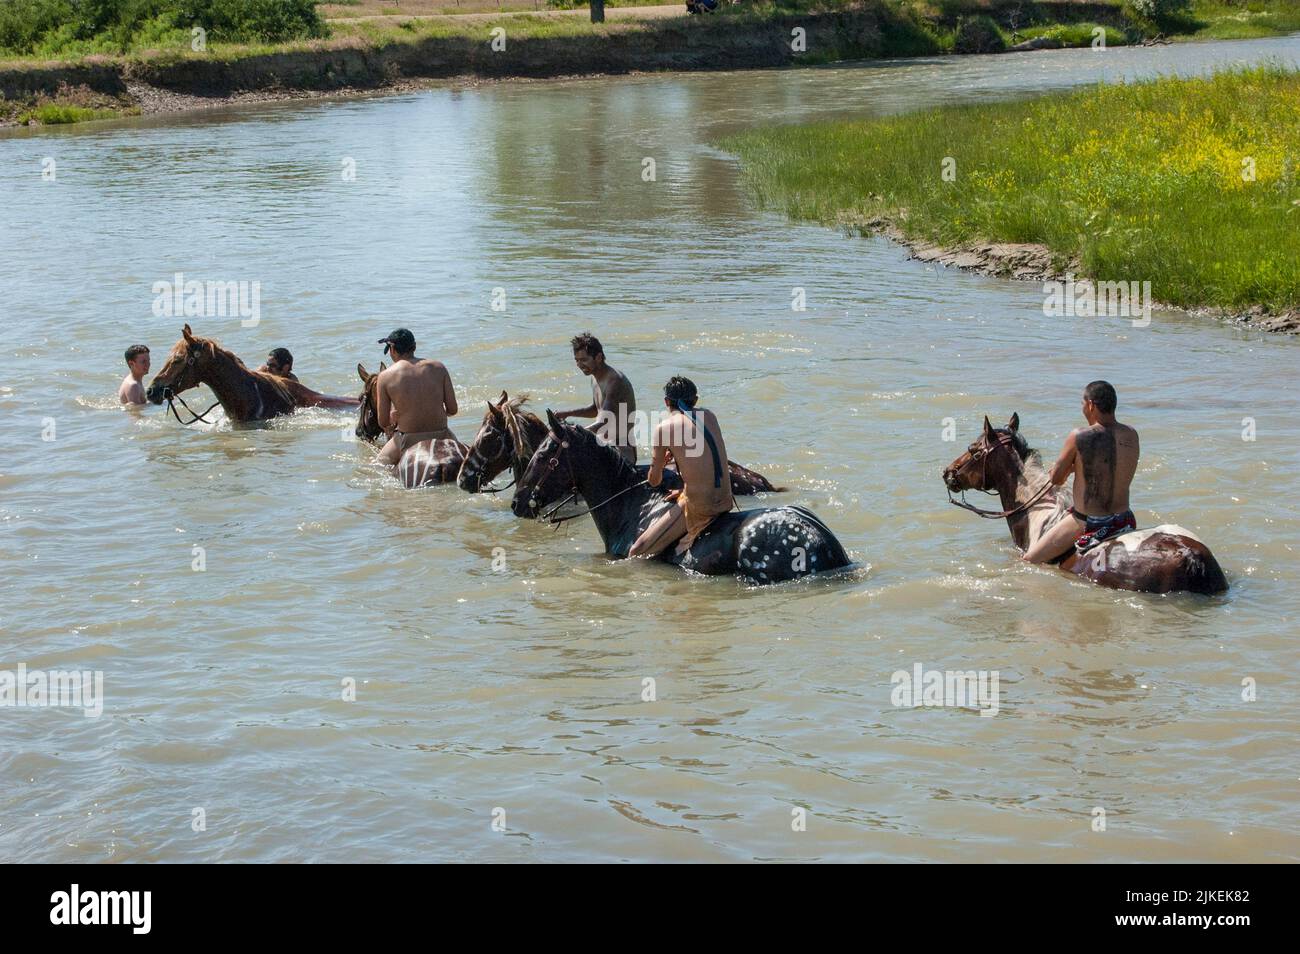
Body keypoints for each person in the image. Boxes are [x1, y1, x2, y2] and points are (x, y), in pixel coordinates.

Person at [1023, 381, 1140, 563]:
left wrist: (1068, 470)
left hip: (1089, 522)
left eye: (1082, 404)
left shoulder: (1079, 435)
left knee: (1030, 560)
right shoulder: (1131, 434)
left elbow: (1056, 480)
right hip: (1125, 519)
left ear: (1091, 405)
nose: (1083, 408)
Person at [628, 376, 734, 558]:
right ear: (696, 400)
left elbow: (654, 481)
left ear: (666, 402)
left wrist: (660, 464)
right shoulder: (709, 416)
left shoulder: (663, 428)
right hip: (726, 501)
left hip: (703, 508)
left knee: (637, 551)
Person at [373, 329, 459, 467]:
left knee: (378, 466)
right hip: (442, 435)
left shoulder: (385, 376)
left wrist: (394, 416)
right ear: (414, 347)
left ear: (392, 349)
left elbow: (383, 422)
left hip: (408, 439)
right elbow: (453, 410)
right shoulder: (439, 367)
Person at [555, 332, 637, 463]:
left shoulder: (615, 381)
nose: (579, 365)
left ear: (598, 357)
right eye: (577, 360)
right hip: (602, 445)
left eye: (584, 360)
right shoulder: (594, 377)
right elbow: (595, 409)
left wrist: (574, 433)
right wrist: (567, 413)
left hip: (621, 450)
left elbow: (604, 420)